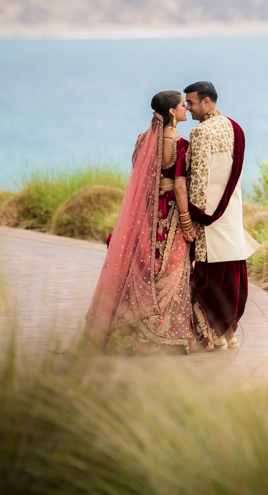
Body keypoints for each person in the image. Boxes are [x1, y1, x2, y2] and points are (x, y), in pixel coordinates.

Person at [84, 90, 216, 354]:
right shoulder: (180, 145)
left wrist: (156, 188)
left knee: (142, 268)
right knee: (171, 270)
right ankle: (162, 337)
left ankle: (129, 331)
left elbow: (139, 176)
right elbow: (180, 188)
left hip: (143, 218)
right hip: (169, 216)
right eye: (182, 105)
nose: (185, 109)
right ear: (171, 113)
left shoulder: (142, 139)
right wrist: (188, 225)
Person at [183, 81, 257, 350]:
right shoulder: (236, 127)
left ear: (206, 102)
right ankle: (230, 336)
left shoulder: (201, 132)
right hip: (232, 214)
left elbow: (199, 181)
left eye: (190, 102)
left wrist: (190, 217)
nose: (187, 108)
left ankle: (215, 337)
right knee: (233, 277)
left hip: (209, 218)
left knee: (210, 277)